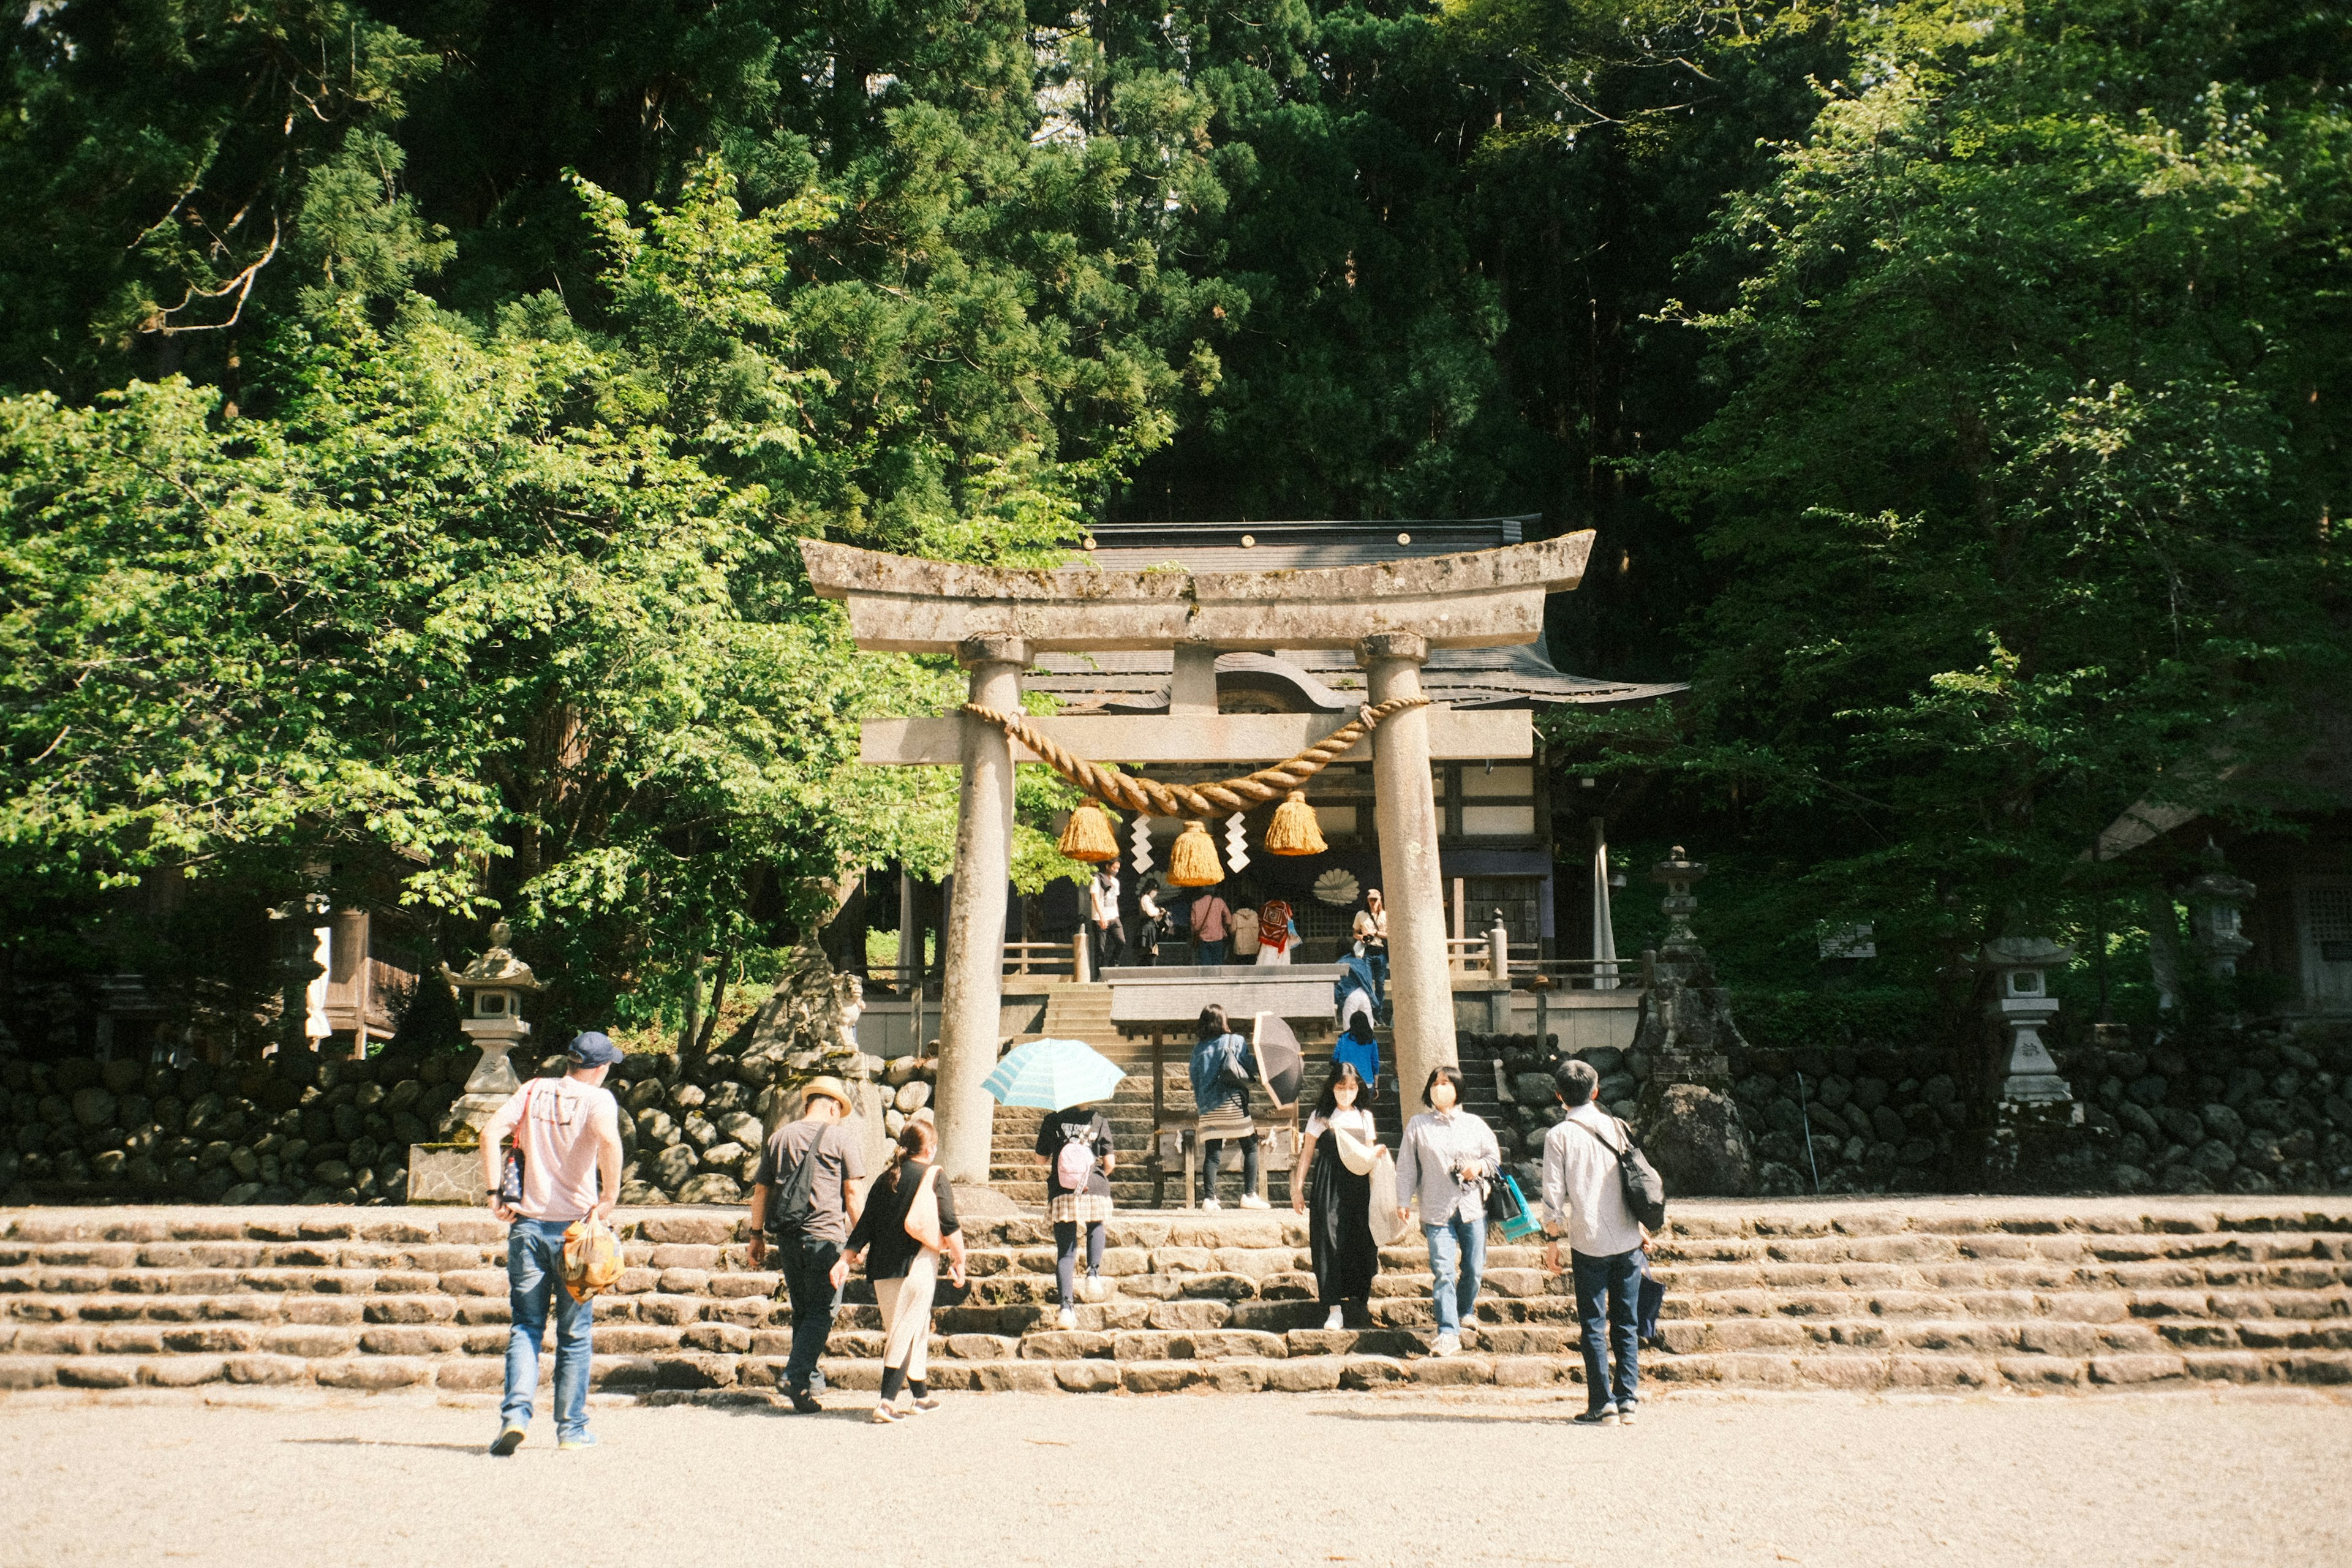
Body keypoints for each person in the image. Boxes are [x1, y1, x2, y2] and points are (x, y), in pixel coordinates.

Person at [481, 1030, 626, 1455]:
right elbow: (610, 1142)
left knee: (525, 1326)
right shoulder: (599, 1100)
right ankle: (571, 1429)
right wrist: (610, 1196)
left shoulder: (533, 1090)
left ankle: (515, 1417)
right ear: (600, 1069)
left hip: (526, 1226)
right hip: (575, 1234)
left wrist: (495, 1193)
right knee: (575, 1334)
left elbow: (490, 1132)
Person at [747, 1076, 867, 1412]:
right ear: (832, 1106)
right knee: (824, 1310)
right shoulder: (841, 1138)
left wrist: (756, 1236)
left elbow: (761, 1191)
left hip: (788, 1238)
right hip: (825, 1238)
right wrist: (861, 1238)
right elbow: (854, 1193)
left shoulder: (779, 1138)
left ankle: (806, 1386)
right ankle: (795, 1374)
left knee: (803, 1310)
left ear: (807, 1104)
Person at [1542, 1058, 1645, 1426]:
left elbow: (1554, 1194)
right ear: (1596, 1091)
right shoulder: (1618, 1126)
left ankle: (1602, 1404)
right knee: (1626, 1321)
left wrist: (1552, 1239)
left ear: (1559, 1096)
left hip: (1587, 1239)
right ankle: (1629, 1399)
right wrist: (1642, 1225)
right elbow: (1634, 1179)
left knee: (1592, 1323)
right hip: (1627, 1235)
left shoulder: (1558, 1137)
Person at [846, 1117, 967, 1423]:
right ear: (928, 1148)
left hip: (881, 1268)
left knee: (914, 1328)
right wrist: (959, 1259)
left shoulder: (886, 1177)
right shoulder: (934, 1174)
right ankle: (886, 1402)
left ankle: (920, 1396)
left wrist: (844, 1258)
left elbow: (865, 1225)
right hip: (917, 1264)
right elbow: (949, 1222)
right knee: (905, 1331)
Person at [1393, 1065, 1501, 1357]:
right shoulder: (1418, 1124)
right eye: (1436, 1083)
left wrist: (1477, 1166)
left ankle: (1465, 1309)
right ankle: (1448, 1331)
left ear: (1457, 1089)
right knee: (1443, 1270)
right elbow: (1406, 1167)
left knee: (1474, 1268)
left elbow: (1494, 1157)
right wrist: (1403, 1200)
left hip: (1472, 1207)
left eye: (1446, 1083)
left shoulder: (1475, 1124)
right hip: (1436, 1209)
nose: (1440, 1088)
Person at [1291, 1061, 1381, 1330]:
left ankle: (1358, 1301)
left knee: (1362, 1241)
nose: (1347, 1093)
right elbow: (1307, 1154)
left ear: (1358, 1089)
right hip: (1328, 1184)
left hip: (1360, 1187)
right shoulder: (1321, 1116)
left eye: (1352, 1088)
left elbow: (1369, 1153)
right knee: (1328, 1240)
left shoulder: (1365, 1116)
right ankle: (1334, 1307)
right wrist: (1297, 1189)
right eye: (1342, 1088)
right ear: (1333, 1088)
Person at [1035, 1098, 1115, 1327]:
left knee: (1066, 1251)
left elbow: (1041, 1159)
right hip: (1093, 1185)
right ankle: (1093, 1273)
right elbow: (1110, 1162)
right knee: (1096, 1225)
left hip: (1062, 1188)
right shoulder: (1099, 1121)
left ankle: (1066, 1309)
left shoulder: (1052, 1120)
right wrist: (1095, 1177)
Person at [1189, 1003, 1267, 1209]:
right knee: (1250, 1146)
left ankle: (1209, 1199)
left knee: (1213, 1153)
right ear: (1222, 1021)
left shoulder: (1198, 1049)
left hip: (1207, 1108)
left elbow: (1194, 1077)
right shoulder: (1236, 1041)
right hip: (1231, 1103)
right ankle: (1249, 1195)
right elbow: (1249, 1065)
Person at [1352, 889, 1390, 1009]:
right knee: (1367, 983)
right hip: (1367, 951)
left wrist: (1377, 933)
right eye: (1371, 900)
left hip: (1381, 951)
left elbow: (1390, 934)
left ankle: (1379, 1011)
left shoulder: (1385, 915)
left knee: (1380, 984)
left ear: (1380, 900)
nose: (1373, 903)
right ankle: (1370, 1010)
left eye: (1375, 900)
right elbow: (1355, 933)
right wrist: (1361, 937)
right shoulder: (1361, 915)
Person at [1331, 1012, 1381, 1099]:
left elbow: (1335, 1058)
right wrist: (1376, 1086)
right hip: (1367, 1082)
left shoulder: (1343, 1038)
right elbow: (1375, 1064)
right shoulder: (1371, 1041)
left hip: (1346, 1081)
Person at [1335, 949, 1379, 1037]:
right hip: (1365, 995)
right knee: (1369, 1027)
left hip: (1350, 996)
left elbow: (1337, 987)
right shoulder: (1361, 962)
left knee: (1348, 1028)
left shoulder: (1339, 964)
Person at [1090, 864, 1126, 968]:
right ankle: (1099, 975)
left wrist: (1117, 915)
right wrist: (1102, 917)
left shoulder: (1116, 882)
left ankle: (1113, 966)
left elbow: (1115, 900)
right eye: (1114, 868)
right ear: (1107, 866)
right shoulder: (1097, 879)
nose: (1116, 870)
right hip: (1099, 917)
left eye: (1118, 868)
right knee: (1100, 948)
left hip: (1113, 916)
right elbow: (1095, 899)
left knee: (1121, 941)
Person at [1189, 887, 1233, 965]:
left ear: (1202, 892)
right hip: (1218, 937)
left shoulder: (1196, 904)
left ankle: (1207, 977)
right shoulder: (1220, 902)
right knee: (1218, 963)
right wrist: (1224, 928)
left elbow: (1194, 925)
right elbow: (1229, 919)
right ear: (1213, 892)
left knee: (1205, 964)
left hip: (1203, 938)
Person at [1133, 878, 1169, 967]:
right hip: (1147, 927)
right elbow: (1151, 912)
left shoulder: (1148, 899)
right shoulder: (1146, 898)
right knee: (1148, 952)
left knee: (1150, 953)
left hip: (1151, 927)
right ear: (1150, 889)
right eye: (1155, 890)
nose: (1155, 893)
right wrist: (1158, 910)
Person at [1255, 899, 1298, 965]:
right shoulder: (1285, 906)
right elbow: (1289, 920)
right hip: (1282, 937)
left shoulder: (1266, 906)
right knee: (1281, 960)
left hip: (1267, 938)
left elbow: (1260, 920)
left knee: (1267, 956)